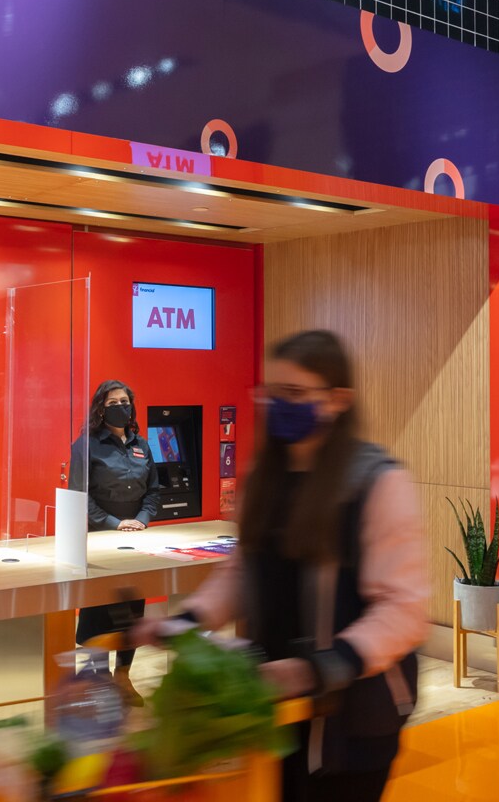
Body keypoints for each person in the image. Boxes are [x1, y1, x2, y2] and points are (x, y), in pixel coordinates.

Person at [132, 330, 428, 802]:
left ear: (338, 400)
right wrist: (188, 620)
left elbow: (404, 610)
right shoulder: (264, 476)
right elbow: (241, 571)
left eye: (295, 394)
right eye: (272, 394)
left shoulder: (378, 483)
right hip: (274, 707)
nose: (278, 407)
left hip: (355, 720)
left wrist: (316, 668)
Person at [69, 379, 161, 705]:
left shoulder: (143, 444)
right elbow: (80, 497)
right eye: (112, 403)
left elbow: (153, 491)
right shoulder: (86, 446)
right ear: (100, 408)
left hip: (135, 541)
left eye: (124, 401)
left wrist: (142, 520)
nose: (120, 406)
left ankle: (123, 679)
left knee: (131, 611)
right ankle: (98, 684)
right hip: (99, 540)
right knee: (97, 614)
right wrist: (113, 523)